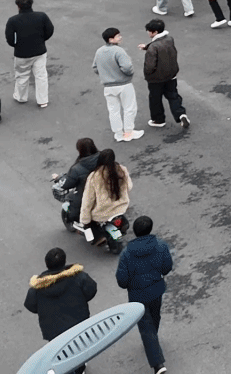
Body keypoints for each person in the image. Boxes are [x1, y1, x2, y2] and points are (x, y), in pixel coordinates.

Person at [113, 215, 171, 374]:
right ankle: (153, 341)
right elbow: (167, 267)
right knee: (155, 316)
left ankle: (158, 365)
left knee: (146, 327)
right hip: (157, 291)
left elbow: (122, 280)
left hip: (137, 296)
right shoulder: (161, 246)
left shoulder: (127, 254)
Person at [23, 247, 96, 362]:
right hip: (79, 324)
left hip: (53, 331)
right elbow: (91, 290)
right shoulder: (79, 277)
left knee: (61, 355)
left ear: (47, 264)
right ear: (64, 261)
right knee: (80, 349)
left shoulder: (38, 287)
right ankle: (79, 366)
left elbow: (30, 305)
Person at [3, 0, 53, 110]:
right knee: (41, 75)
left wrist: (16, 45)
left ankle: (21, 97)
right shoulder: (42, 16)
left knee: (22, 75)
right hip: (40, 51)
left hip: (22, 53)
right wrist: (42, 40)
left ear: (18, 6)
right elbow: (50, 30)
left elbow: (9, 39)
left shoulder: (13, 20)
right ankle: (43, 101)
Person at [137, 20, 186, 131]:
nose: (148, 33)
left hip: (156, 78)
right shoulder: (169, 39)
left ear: (154, 32)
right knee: (173, 96)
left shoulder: (153, 48)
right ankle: (180, 114)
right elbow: (160, 46)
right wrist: (147, 47)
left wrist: (147, 75)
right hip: (171, 75)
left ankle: (158, 120)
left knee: (155, 99)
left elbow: (150, 66)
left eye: (149, 31)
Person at [75, 147, 128, 249]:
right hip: (121, 207)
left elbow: (88, 200)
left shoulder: (94, 176)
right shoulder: (121, 170)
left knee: (91, 222)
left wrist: (85, 221)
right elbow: (129, 186)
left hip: (102, 213)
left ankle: (99, 237)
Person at [94, 29, 140, 144]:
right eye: (118, 36)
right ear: (111, 39)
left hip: (108, 86)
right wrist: (128, 74)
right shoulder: (118, 51)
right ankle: (128, 132)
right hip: (124, 84)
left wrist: (105, 75)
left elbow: (95, 67)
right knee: (129, 108)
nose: (120, 37)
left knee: (113, 110)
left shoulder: (99, 51)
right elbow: (127, 67)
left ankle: (118, 134)